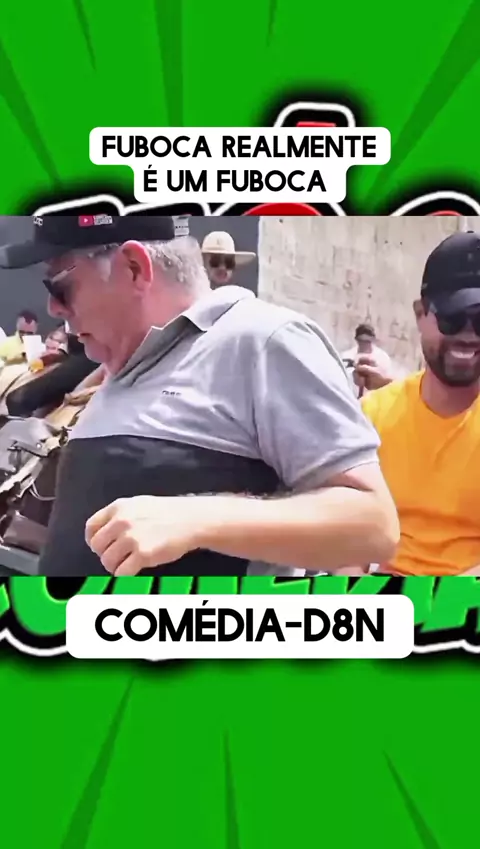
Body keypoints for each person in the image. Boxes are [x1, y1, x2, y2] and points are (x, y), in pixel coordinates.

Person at [0, 214, 399, 577]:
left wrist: (196, 519)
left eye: (60, 285)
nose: (53, 307)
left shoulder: (263, 341)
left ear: (134, 268)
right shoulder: (120, 362)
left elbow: (373, 525)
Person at [358, 231, 480, 576]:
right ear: (420, 313)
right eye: (452, 317)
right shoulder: (372, 418)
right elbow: (348, 541)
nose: (468, 334)